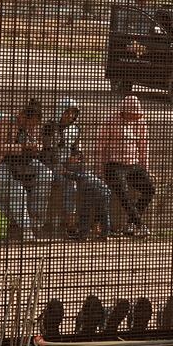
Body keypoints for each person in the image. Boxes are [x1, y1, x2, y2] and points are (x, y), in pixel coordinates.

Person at [42, 97, 112, 240]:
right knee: (70, 184)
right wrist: (61, 162)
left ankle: (95, 222)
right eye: (67, 112)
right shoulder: (50, 127)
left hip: (70, 164)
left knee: (93, 183)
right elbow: (47, 150)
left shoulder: (75, 129)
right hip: (52, 164)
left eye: (73, 113)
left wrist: (77, 157)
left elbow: (76, 149)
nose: (70, 116)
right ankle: (70, 222)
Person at [0, 99, 52, 242]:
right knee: (18, 191)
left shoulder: (33, 128)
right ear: (22, 116)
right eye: (29, 124)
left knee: (47, 175)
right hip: (3, 164)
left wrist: (37, 147)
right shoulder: (7, 122)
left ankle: (36, 223)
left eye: (34, 125)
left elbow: (38, 144)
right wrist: (21, 147)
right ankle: (27, 230)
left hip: (25, 163)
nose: (31, 128)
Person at [96, 95, 153, 237]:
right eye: (131, 114)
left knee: (150, 189)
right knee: (123, 192)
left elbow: (143, 147)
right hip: (114, 165)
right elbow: (100, 147)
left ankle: (130, 223)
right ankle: (140, 225)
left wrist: (145, 168)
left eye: (136, 114)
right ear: (124, 111)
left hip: (133, 165)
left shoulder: (140, 123)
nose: (134, 117)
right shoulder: (110, 121)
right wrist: (99, 168)